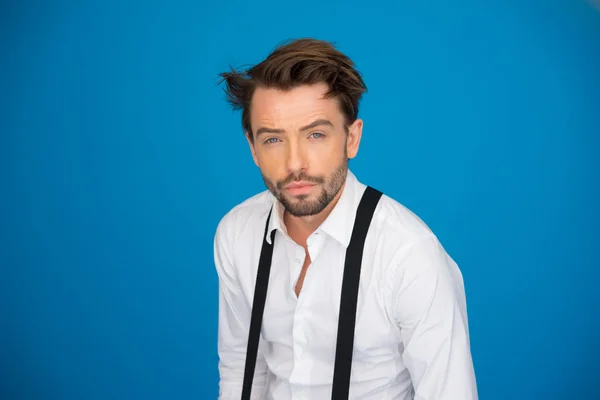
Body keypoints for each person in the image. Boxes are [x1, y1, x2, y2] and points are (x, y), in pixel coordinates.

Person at [214, 38, 478, 399]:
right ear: (252, 147)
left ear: (351, 139)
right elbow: (241, 369)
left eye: (316, 135)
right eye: (274, 139)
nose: (295, 164)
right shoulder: (237, 233)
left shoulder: (408, 254)